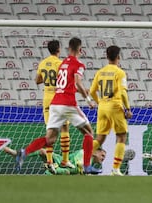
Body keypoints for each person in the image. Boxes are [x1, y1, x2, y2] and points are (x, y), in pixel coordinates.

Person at [15, 37, 97, 174]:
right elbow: (77, 82)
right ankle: (86, 165)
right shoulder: (78, 64)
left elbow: (55, 83)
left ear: (68, 49)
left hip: (53, 103)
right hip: (68, 103)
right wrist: (88, 98)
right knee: (89, 133)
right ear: (80, 50)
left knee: (50, 139)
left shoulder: (62, 63)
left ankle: (24, 152)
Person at [90, 45, 133, 176]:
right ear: (118, 57)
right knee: (121, 137)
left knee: (99, 138)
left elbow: (92, 92)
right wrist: (128, 109)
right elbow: (123, 93)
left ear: (107, 57)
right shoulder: (120, 73)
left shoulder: (100, 72)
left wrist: (100, 103)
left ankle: (83, 160)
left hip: (102, 107)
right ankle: (115, 168)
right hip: (115, 106)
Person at [35, 40, 73, 170]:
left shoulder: (43, 63)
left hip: (47, 99)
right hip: (58, 98)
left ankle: (50, 162)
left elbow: (37, 80)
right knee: (64, 129)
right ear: (59, 49)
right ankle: (65, 160)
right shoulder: (61, 64)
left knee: (50, 131)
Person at [4, 146, 105, 175]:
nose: (103, 158)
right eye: (102, 155)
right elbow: (79, 163)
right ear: (95, 152)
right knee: (43, 151)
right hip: (62, 163)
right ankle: (17, 154)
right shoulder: (85, 153)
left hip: (64, 171)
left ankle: (52, 168)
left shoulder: (90, 163)